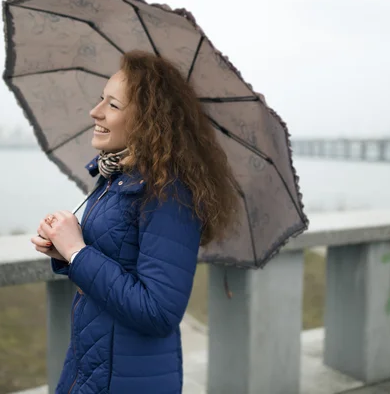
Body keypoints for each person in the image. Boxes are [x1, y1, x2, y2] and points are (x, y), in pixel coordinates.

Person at [31, 50, 239, 394]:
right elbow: (118, 263)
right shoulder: (118, 178)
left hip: (129, 378)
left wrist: (78, 252)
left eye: (112, 105)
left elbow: (158, 312)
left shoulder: (170, 194)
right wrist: (64, 252)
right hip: (92, 367)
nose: (94, 112)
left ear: (149, 119)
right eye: (101, 100)